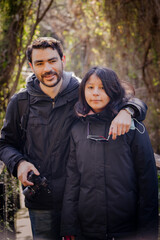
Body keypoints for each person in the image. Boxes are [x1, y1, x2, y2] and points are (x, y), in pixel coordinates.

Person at [0, 38, 147, 240]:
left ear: (63, 60)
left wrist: (129, 110)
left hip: (81, 201)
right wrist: (19, 163)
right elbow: (5, 143)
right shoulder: (20, 102)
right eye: (40, 63)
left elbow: (122, 96)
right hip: (41, 202)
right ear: (31, 66)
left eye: (52, 61)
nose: (48, 68)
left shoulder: (82, 92)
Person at [61, 67, 158, 240]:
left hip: (126, 229)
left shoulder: (132, 127)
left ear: (113, 90)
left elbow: (148, 182)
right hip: (87, 230)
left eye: (103, 87)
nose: (95, 93)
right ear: (83, 91)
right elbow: (72, 182)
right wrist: (69, 228)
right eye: (90, 87)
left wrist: (147, 233)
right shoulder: (77, 129)